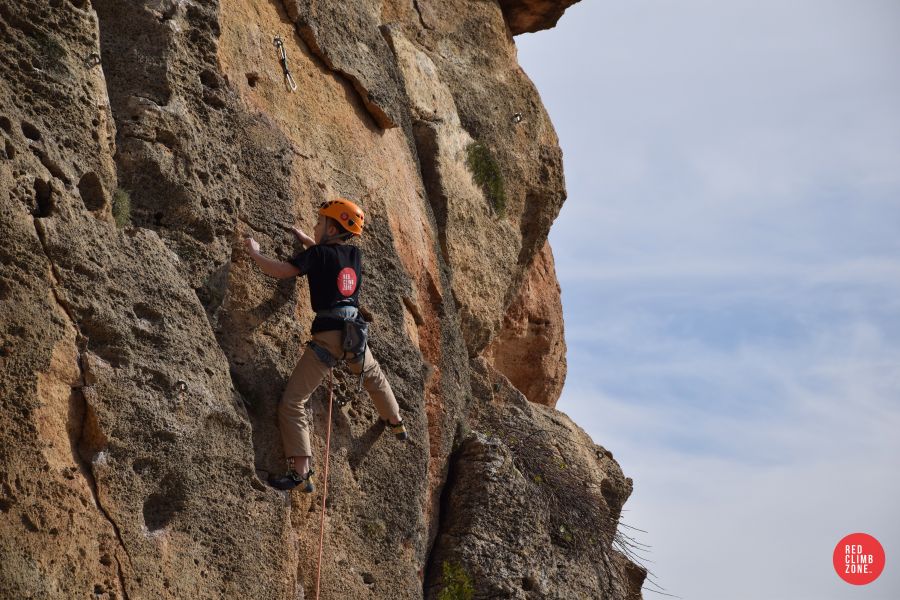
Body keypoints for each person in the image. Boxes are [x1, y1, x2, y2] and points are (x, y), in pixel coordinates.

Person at [243, 198, 408, 492]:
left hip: (328, 337)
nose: (315, 226)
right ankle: (395, 421)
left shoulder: (317, 254)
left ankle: (301, 473)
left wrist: (255, 254)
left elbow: (282, 270)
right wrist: (309, 242)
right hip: (355, 333)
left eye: (319, 222)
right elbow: (330, 261)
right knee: (372, 374)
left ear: (332, 228)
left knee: (293, 402)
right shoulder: (354, 255)